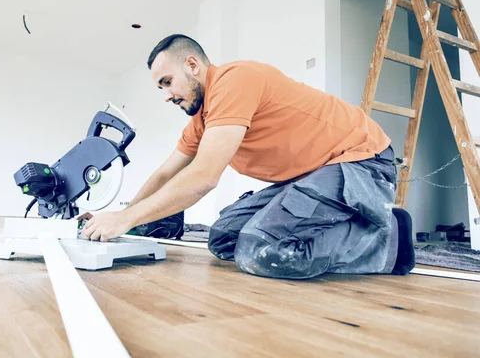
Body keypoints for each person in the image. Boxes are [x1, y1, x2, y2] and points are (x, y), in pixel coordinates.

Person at [80, 34, 415, 279]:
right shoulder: (201, 119)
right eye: (160, 88)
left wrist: (127, 219)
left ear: (192, 65)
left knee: (259, 252)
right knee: (224, 238)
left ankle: (390, 239)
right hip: (311, 176)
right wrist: (123, 219)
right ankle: (354, 221)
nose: (166, 96)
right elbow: (164, 174)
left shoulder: (235, 81)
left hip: (361, 161)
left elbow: (203, 178)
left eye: (168, 82)